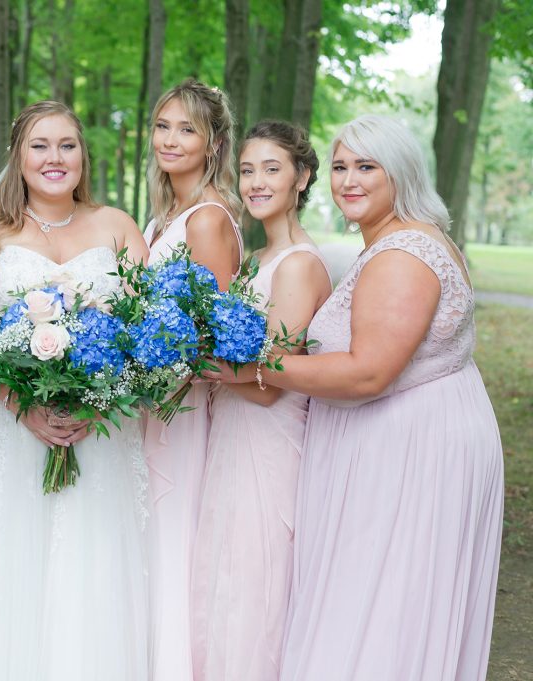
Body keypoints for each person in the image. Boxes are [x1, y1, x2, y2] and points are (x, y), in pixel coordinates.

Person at [210, 114, 503, 681]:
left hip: (413, 449)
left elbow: (369, 374)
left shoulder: (403, 255)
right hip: (403, 439)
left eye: (367, 166)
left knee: (388, 609)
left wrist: (252, 365)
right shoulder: (391, 244)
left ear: (402, 174)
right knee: (384, 604)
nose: (350, 179)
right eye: (342, 166)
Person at [0, 101, 151, 680]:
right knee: (11, 573)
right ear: (17, 155)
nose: (55, 158)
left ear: (84, 154)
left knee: (92, 570)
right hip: (9, 430)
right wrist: (22, 404)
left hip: (97, 430)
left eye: (67, 145)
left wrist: (97, 397)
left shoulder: (117, 225)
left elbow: (143, 331)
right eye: (40, 145)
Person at [189, 120, 331, 681]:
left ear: (302, 178)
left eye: (272, 169)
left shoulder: (297, 264)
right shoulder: (257, 261)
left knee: (253, 586)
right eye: (247, 171)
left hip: (265, 444)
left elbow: (273, 382)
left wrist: (199, 366)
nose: (255, 182)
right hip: (233, 433)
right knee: (223, 583)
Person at [139, 77, 243, 681]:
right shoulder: (162, 220)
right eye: (162, 126)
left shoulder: (206, 219)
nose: (170, 140)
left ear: (213, 142)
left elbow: (218, 337)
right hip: (148, 405)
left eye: (187, 129)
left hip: (181, 407)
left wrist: (161, 375)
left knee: (173, 533)